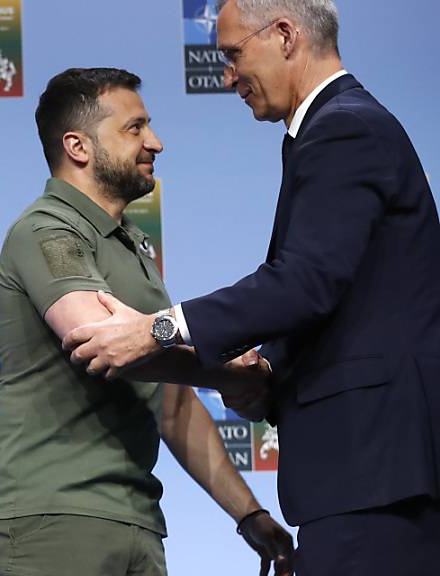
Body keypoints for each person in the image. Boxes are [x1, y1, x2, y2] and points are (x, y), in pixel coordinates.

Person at [60, 2, 440, 574]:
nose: (227, 75)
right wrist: (267, 372)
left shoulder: (344, 128)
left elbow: (306, 282)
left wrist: (160, 329)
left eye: (234, 54)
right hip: (364, 474)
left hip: (374, 471)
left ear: (285, 36)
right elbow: (336, 295)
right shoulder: (337, 128)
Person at [0, 67, 293, 576]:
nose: (156, 142)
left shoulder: (135, 244)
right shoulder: (45, 230)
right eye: (135, 127)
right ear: (78, 147)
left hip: (138, 523)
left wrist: (249, 514)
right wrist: (234, 372)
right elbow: (105, 346)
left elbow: (173, 406)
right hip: (53, 519)